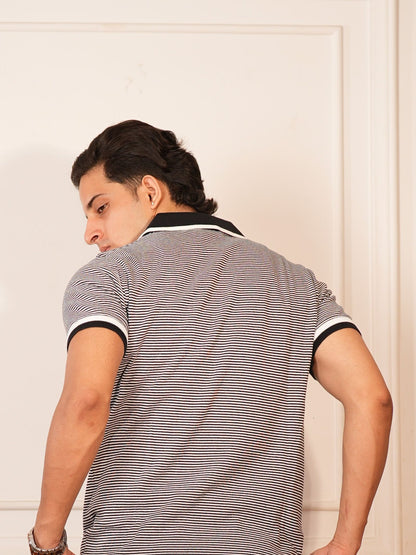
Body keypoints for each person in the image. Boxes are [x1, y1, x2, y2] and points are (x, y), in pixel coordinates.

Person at [29, 120, 392, 555]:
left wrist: (45, 541)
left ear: (150, 191)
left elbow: (86, 401)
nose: (90, 231)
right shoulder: (296, 282)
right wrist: (345, 543)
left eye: (100, 208)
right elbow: (373, 399)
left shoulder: (108, 277)